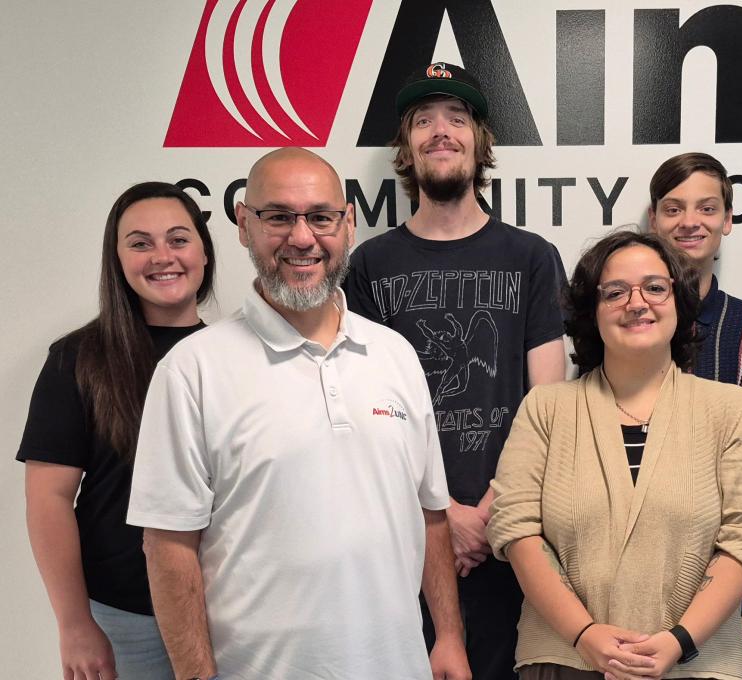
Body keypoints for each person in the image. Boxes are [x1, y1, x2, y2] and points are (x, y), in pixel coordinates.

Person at [126, 148, 470, 680]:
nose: (303, 238)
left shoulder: (395, 354)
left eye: (321, 217)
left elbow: (429, 513)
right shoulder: (191, 370)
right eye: (279, 217)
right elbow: (168, 545)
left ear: (349, 224)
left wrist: (448, 637)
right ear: (244, 224)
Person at [345, 61, 567, 679]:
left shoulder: (530, 257)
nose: (440, 131)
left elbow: (547, 406)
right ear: (406, 146)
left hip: (510, 533)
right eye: (423, 120)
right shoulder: (370, 266)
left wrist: (490, 511)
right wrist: (440, 516)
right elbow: (363, 409)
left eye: (457, 117)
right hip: (405, 535)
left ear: (479, 140)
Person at [487, 230, 742, 680]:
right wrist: (585, 634)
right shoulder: (546, 408)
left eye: (655, 287)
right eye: (615, 292)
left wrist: (678, 641)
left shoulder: (731, 409)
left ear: (679, 302)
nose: (637, 302)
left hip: (698, 664)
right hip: (565, 658)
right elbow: (516, 530)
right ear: (591, 311)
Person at [17, 181, 216, 680]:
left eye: (178, 239)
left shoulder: (233, 356)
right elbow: (49, 501)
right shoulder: (78, 358)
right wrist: (75, 624)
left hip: (226, 610)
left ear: (204, 253)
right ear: (118, 259)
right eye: (140, 243)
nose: (162, 256)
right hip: (126, 619)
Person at [647, 152, 742, 648]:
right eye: (673, 208)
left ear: (727, 220)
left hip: (721, 566)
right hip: (622, 558)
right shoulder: (618, 318)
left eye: (706, 208)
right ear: (653, 219)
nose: (689, 222)